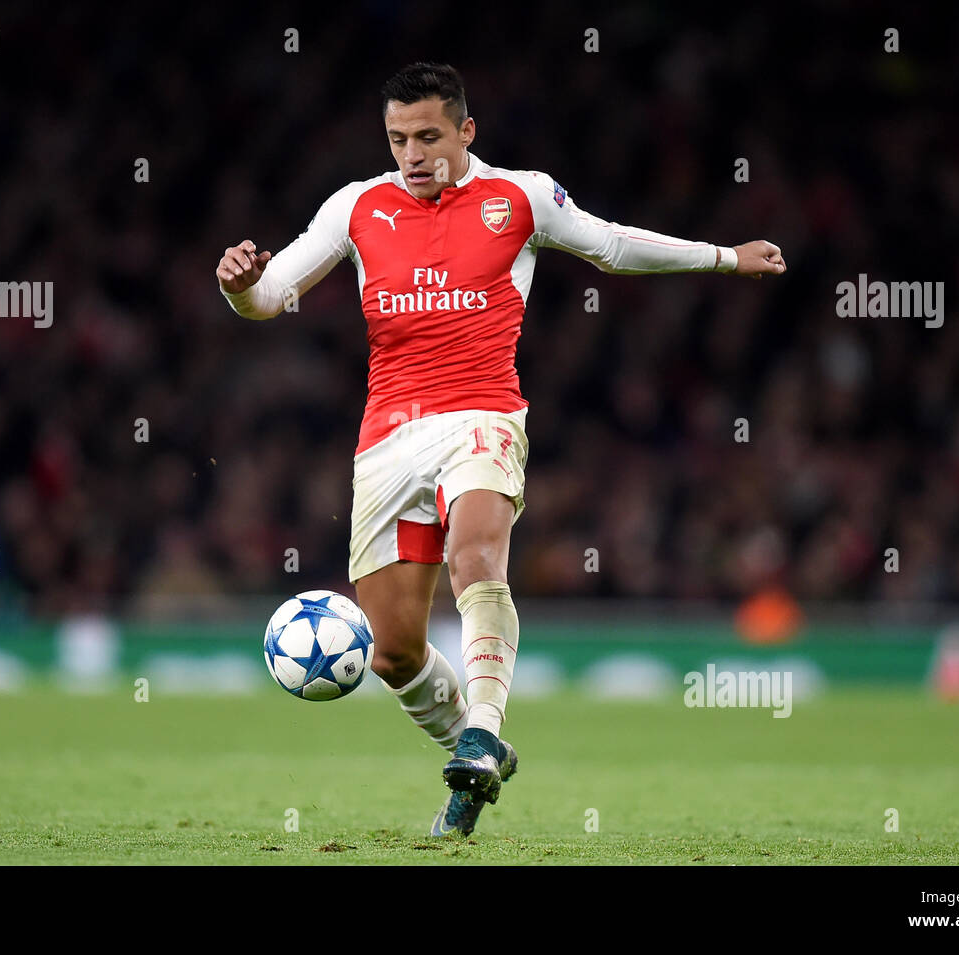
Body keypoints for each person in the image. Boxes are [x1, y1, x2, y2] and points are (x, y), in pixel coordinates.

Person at [217, 62, 787, 836]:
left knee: (476, 558)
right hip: (387, 439)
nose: (411, 154)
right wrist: (238, 286)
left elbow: (613, 247)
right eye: (396, 139)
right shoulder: (356, 208)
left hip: (482, 413)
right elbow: (270, 295)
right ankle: (477, 756)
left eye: (426, 137)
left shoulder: (521, 197)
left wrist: (723, 255)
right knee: (391, 652)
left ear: (465, 131)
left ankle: (482, 724)